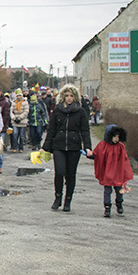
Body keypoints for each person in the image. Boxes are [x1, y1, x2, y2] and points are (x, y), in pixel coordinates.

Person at [41, 84, 93, 212]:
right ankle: (58, 197)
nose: (69, 98)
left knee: (71, 175)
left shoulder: (80, 111)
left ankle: (68, 200)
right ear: (63, 97)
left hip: (74, 146)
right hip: (58, 145)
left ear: (75, 97)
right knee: (59, 172)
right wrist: (45, 147)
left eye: (71, 96)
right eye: (67, 96)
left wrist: (88, 147)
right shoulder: (57, 110)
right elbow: (51, 130)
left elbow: (85, 131)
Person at [87, 124, 133, 218]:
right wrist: (90, 155)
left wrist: (125, 171)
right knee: (107, 191)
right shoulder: (102, 145)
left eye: (118, 137)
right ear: (109, 136)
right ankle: (107, 207)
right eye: (115, 137)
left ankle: (119, 203)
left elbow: (124, 160)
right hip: (107, 173)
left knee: (119, 189)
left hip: (117, 173)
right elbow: (96, 155)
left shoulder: (120, 147)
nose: (116, 139)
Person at [10, 89, 29, 153]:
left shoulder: (25, 102)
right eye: (17, 96)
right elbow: (11, 111)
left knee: (22, 135)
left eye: (20, 95)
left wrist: (20, 118)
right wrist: (14, 118)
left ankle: (21, 148)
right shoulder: (13, 102)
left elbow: (26, 111)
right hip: (15, 121)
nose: (18, 97)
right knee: (15, 134)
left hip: (22, 121)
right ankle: (15, 147)